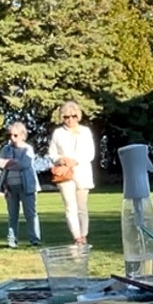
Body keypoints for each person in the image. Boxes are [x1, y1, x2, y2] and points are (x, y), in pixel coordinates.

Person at [47, 100, 95, 244]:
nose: (70, 120)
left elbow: (90, 153)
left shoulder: (85, 131)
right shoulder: (58, 133)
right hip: (65, 174)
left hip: (82, 172)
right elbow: (52, 153)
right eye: (66, 117)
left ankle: (84, 234)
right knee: (70, 206)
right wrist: (61, 160)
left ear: (78, 116)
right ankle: (77, 236)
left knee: (82, 207)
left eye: (73, 116)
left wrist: (75, 161)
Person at [0, 121, 43, 248]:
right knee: (12, 215)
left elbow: (24, 164)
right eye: (10, 135)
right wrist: (13, 162)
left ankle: (35, 239)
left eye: (15, 135)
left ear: (22, 135)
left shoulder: (28, 149)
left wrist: (9, 163)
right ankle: (12, 239)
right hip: (10, 187)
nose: (12, 138)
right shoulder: (6, 148)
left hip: (27, 186)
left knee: (30, 214)